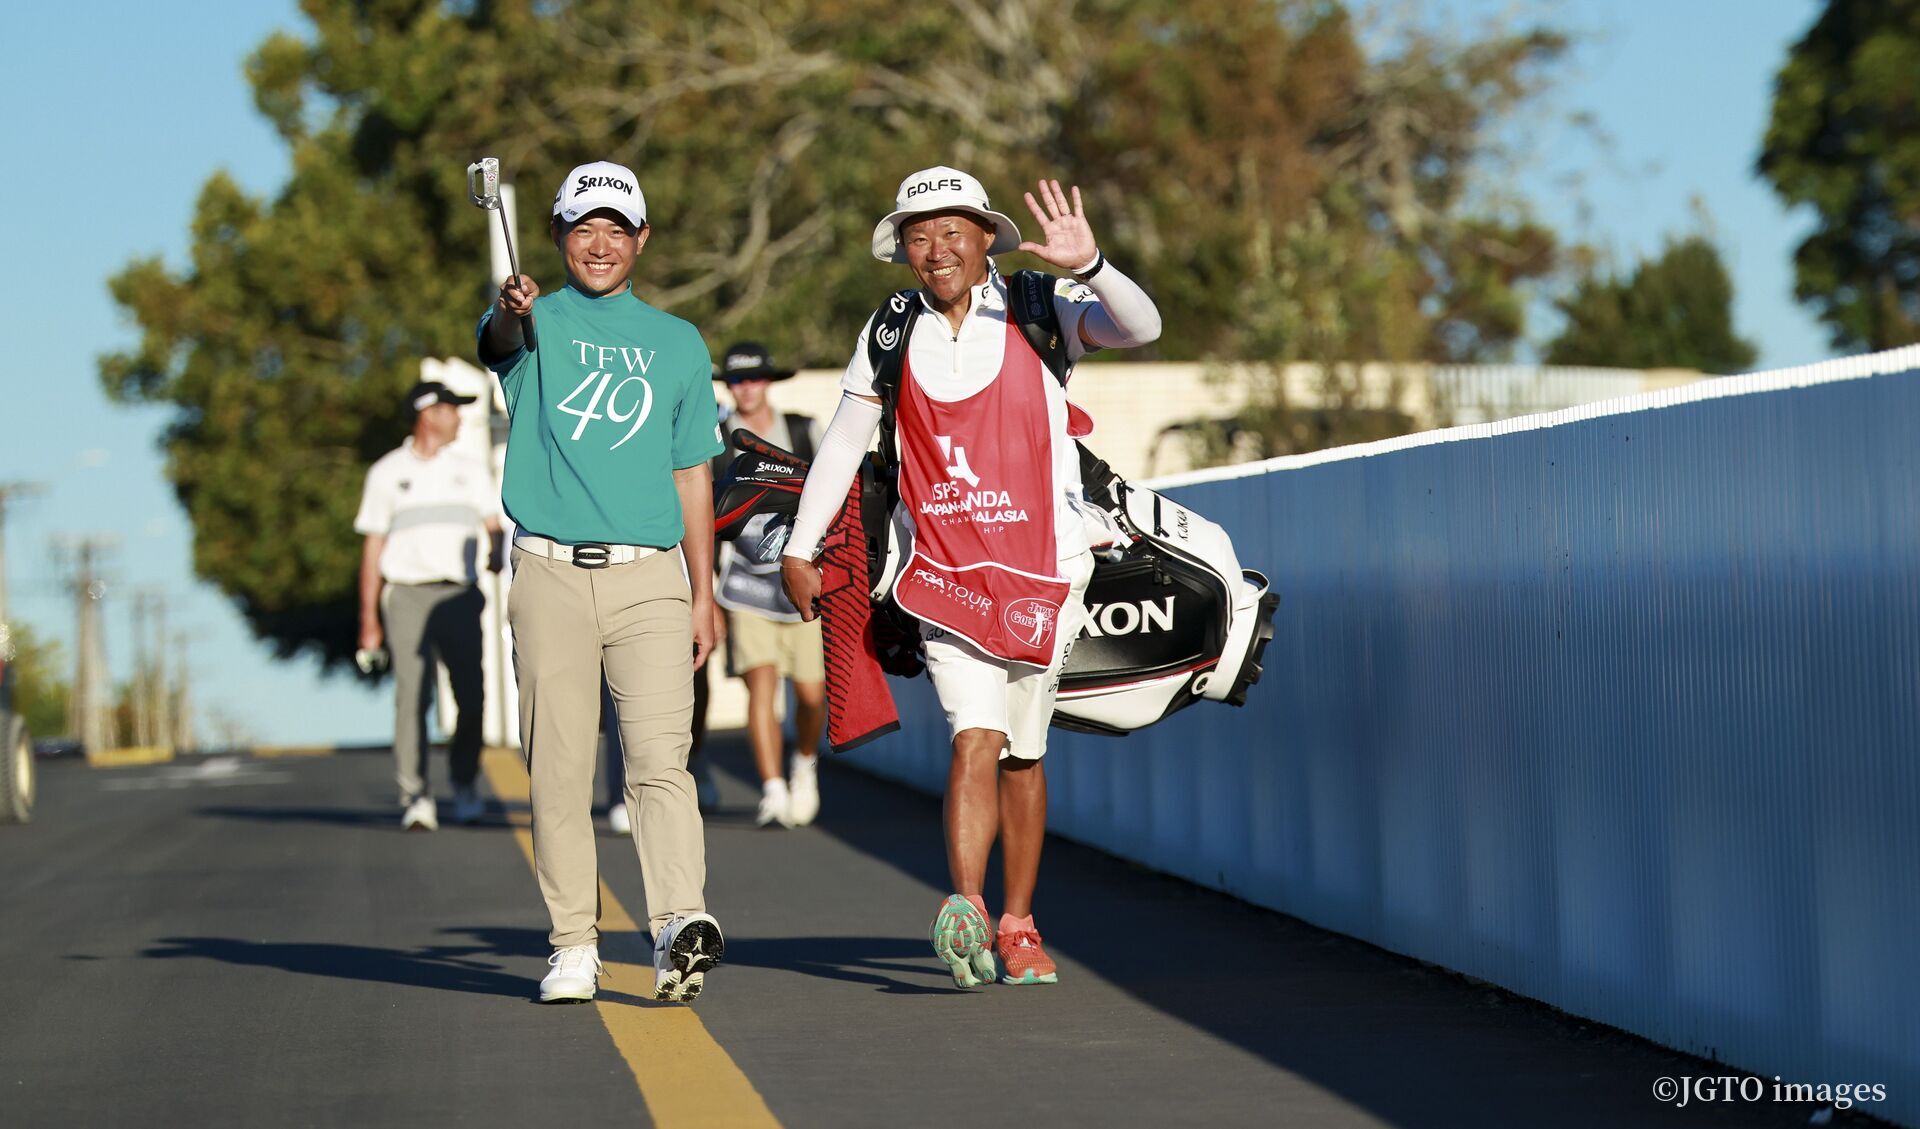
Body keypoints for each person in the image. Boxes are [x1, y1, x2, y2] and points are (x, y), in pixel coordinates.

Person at [782, 168, 1162, 987]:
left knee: (1023, 752)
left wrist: (1091, 266)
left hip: (1045, 571)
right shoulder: (889, 331)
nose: (935, 250)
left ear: (986, 237)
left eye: (952, 231)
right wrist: (800, 545)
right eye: (918, 237)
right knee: (974, 736)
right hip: (944, 575)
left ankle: (1019, 922)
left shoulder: (1035, 306)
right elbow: (845, 441)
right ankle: (966, 904)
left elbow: (1142, 327)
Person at [478, 159, 725, 1004]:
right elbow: (498, 342)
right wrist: (511, 311)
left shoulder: (679, 342)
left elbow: (694, 472)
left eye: (617, 229)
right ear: (557, 236)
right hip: (549, 570)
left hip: (651, 578)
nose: (599, 243)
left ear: (642, 240)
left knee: (662, 760)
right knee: (559, 765)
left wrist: (705, 590)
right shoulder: (532, 320)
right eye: (583, 227)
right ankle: (574, 943)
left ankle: (676, 925)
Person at [354, 380, 503, 831]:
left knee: (471, 696)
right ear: (428, 414)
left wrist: (495, 551)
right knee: (411, 696)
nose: (459, 416)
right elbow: (372, 549)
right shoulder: (386, 473)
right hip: (407, 595)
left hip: (459, 595)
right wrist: (369, 623)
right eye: (452, 409)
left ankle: (463, 781)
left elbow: (493, 522)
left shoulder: (470, 469)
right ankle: (416, 795)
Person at [712, 342, 826, 828]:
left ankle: (803, 763)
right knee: (760, 683)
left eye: (755, 378)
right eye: (738, 380)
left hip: (802, 583)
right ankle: (772, 788)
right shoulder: (713, 438)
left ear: (769, 382)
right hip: (743, 583)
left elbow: (838, 494)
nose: (746, 388)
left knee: (810, 694)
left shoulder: (803, 431)